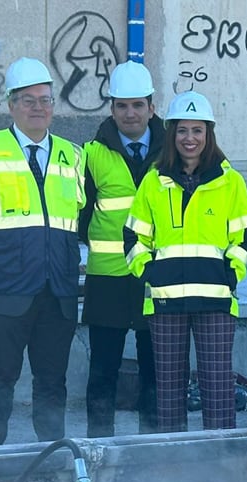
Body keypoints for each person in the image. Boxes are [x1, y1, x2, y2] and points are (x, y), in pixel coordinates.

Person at [0, 57, 85, 446]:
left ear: (54, 105)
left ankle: (51, 455)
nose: (38, 108)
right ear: (10, 105)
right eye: (28, 100)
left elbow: (79, 218)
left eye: (45, 100)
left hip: (56, 291)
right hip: (4, 291)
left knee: (52, 381)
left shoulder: (73, 155)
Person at [124, 91, 247, 433]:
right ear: (172, 134)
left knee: (218, 390)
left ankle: (219, 465)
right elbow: (133, 237)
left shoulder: (230, 182)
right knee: (168, 391)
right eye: (182, 130)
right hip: (165, 301)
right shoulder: (153, 182)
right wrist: (149, 273)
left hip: (215, 300)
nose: (190, 138)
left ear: (208, 134)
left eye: (197, 130)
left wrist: (231, 274)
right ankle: (175, 466)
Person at [78, 61, 163, 437]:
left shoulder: (173, 151)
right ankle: (101, 451)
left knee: (158, 373)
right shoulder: (91, 154)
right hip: (107, 278)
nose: (130, 114)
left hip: (156, 278)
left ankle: (154, 455)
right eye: (122, 106)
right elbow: (80, 216)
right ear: (111, 109)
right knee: (102, 373)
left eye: (137, 105)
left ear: (152, 107)